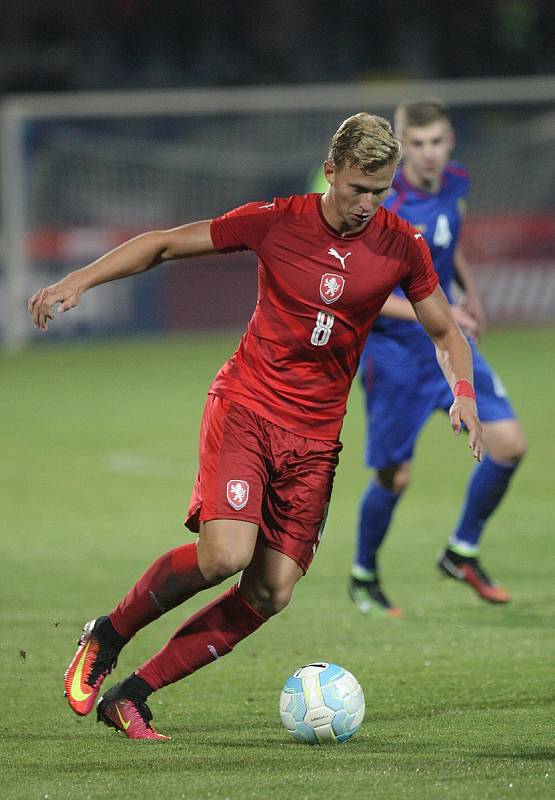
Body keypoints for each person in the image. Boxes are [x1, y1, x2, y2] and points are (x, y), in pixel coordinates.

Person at [28, 112, 482, 741]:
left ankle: (132, 695)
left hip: (317, 439)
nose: (367, 205)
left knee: (270, 592)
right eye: (357, 189)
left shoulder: (401, 244)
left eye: (380, 192)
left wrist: (463, 393)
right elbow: (162, 243)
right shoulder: (279, 221)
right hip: (249, 406)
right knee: (226, 556)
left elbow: (446, 333)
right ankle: (107, 635)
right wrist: (79, 279)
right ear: (331, 173)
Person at [347, 101, 527, 617]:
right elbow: (367, 293)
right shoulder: (384, 205)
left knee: (509, 445)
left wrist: (470, 294)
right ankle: (364, 574)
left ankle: (461, 551)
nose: (430, 154)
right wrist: (440, 314)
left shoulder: (455, 184)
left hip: (449, 343)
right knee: (394, 477)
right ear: (403, 147)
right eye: (418, 144)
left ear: (451, 143)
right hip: (396, 353)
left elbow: (452, 241)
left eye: (438, 142)